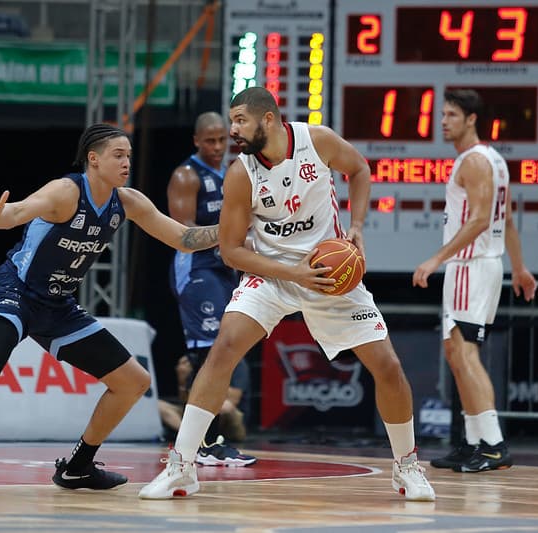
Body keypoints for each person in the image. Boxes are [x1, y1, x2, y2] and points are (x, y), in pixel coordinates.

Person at [0, 123, 220, 494]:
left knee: (133, 381)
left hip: (58, 305)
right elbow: (16, 212)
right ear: (93, 159)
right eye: (119, 155)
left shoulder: (128, 201)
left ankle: (78, 467)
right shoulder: (65, 192)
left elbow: (182, 238)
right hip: (15, 292)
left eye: (129, 155)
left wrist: (229, 227)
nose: (127, 162)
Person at [140, 86, 435, 501]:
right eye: (231, 121)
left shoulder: (318, 141)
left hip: (327, 273)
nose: (233, 129)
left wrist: (357, 226)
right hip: (275, 273)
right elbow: (231, 250)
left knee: (386, 365)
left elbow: (361, 170)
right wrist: (292, 273)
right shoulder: (241, 173)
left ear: (268, 119)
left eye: (240, 120)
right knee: (222, 348)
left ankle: (407, 467)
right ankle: (182, 466)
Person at [413, 89, 537, 473]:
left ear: (471, 119)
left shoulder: (475, 162)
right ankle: (472, 443)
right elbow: (509, 220)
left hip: (472, 266)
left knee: (466, 355)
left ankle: (495, 444)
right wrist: (519, 268)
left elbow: (481, 219)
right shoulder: (494, 160)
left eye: (451, 114)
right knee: (456, 354)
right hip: (480, 266)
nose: (444, 121)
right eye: (443, 114)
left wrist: (437, 257)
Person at [163, 111, 256, 466]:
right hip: (197, 271)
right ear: (197, 141)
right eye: (210, 140)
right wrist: (226, 237)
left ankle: (206, 441)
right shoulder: (186, 175)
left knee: (223, 349)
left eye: (222, 140)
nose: (218, 146)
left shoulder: (232, 172)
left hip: (225, 269)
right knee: (208, 353)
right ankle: (202, 443)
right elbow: (182, 231)